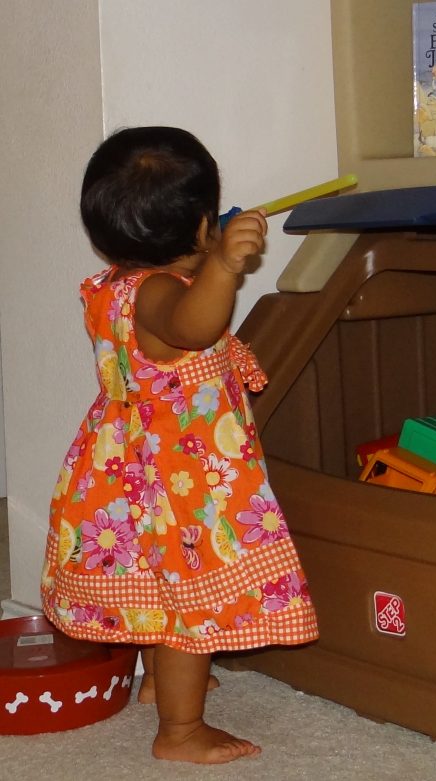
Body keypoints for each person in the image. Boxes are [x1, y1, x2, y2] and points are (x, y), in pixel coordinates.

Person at [40, 126, 319, 765]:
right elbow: (194, 330)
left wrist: (209, 260)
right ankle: (181, 729)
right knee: (189, 600)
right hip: (179, 480)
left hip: (126, 465)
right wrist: (223, 266)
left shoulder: (115, 285)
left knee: (152, 583)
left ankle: (157, 683)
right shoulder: (164, 294)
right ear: (201, 227)